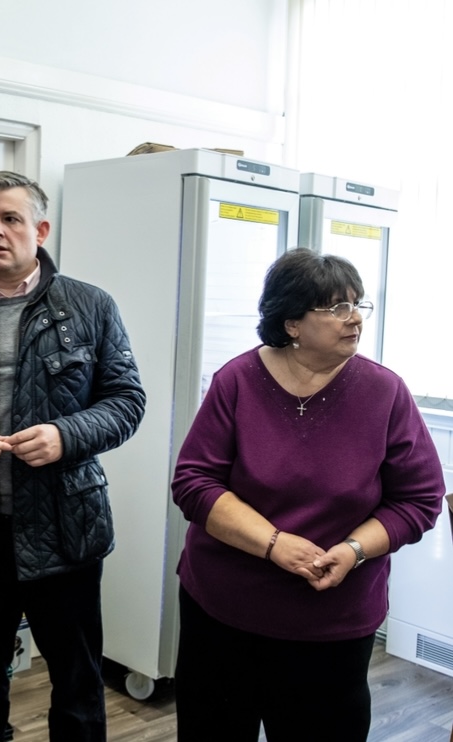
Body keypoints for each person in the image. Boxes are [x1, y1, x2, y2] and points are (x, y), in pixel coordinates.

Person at [0, 170, 146, 742]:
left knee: (77, 681)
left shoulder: (91, 306)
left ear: (40, 229)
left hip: (66, 530)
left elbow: (127, 400)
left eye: (11, 218)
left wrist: (67, 434)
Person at [171, 248, 445, 741]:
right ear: (291, 322)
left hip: (333, 621)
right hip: (224, 611)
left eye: (358, 304)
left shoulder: (385, 393)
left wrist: (355, 549)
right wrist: (274, 543)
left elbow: (420, 498)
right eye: (336, 308)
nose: (354, 319)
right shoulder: (236, 381)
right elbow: (194, 482)